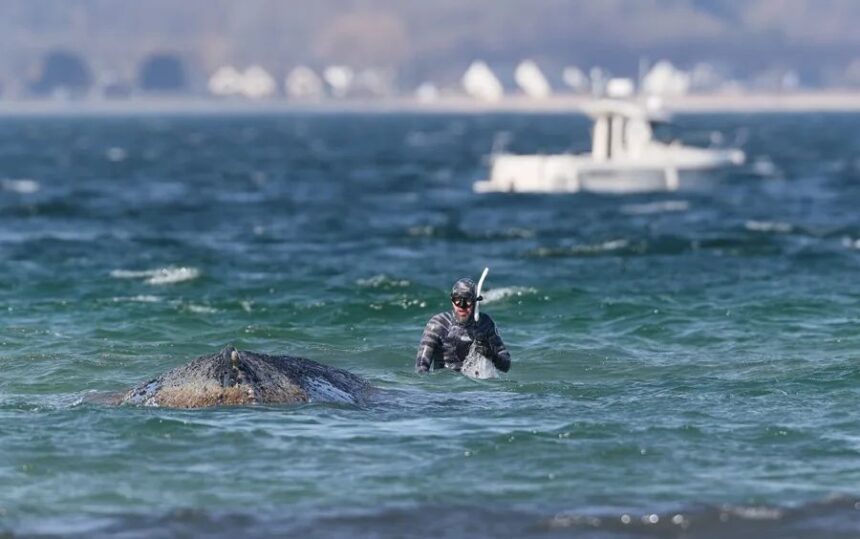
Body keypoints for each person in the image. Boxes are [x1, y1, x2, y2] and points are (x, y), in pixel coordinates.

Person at [415, 277, 511, 373]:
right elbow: (421, 367)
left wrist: (491, 354)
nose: (462, 306)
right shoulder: (438, 324)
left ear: (475, 302)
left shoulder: (485, 324)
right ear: (452, 300)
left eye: (468, 301)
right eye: (457, 300)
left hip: (475, 384)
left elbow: (506, 366)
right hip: (444, 385)